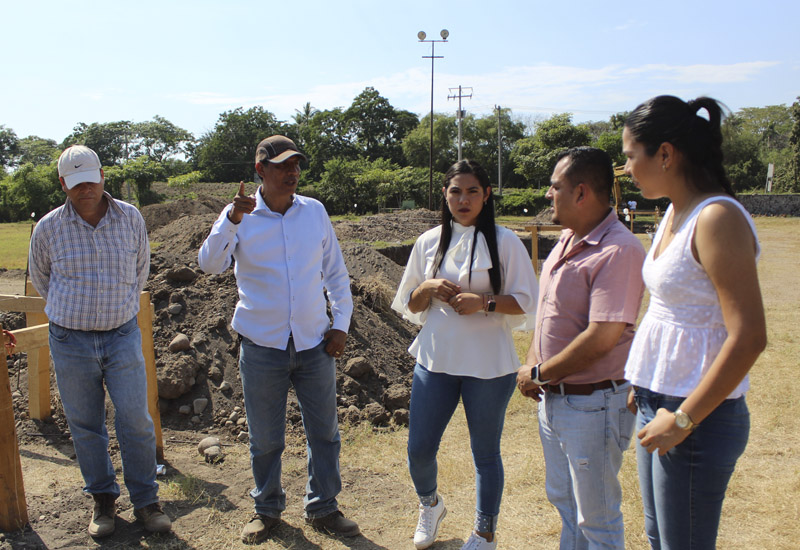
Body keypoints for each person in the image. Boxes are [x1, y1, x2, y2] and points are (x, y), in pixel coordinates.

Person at [622, 96, 767, 549]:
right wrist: (643, 383)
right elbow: (672, 308)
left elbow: (749, 337)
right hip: (657, 401)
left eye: (630, 155)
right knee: (658, 536)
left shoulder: (717, 217)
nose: (626, 168)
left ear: (665, 154)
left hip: (695, 416)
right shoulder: (673, 211)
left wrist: (684, 419)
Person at [197, 135, 358, 543]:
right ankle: (266, 509)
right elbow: (210, 265)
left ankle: (323, 507)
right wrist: (230, 219)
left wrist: (341, 324)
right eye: (283, 166)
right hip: (262, 346)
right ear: (260, 171)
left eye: (296, 165)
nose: (292, 173)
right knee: (265, 438)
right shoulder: (240, 216)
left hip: (314, 343)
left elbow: (336, 274)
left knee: (325, 433)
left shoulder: (314, 212)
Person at [392, 159, 539, 550]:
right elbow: (409, 303)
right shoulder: (428, 241)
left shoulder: (505, 241)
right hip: (435, 360)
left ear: (487, 195)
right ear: (444, 194)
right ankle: (430, 505)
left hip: (488, 365)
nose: (463, 199)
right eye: (456, 191)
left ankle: (485, 532)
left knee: (485, 453)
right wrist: (426, 288)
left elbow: (527, 302)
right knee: (419, 448)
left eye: (473, 191)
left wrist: (485, 302)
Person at [28, 145, 170, 537]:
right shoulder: (49, 228)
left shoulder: (130, 218)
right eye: (76, 184)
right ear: (63, 184)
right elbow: (42, 279)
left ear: (102, 175)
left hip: (121, 335)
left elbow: (141, 270)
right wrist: (73, 312)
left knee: (135, 421)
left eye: (90, 180)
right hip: (70, 340)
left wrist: (113, 310)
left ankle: (146, 500)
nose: (85, 189)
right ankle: (103, 500)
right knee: (86, 424)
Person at [516, 146, 646, 549]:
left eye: (555, 187)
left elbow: (603, 335)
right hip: (556, 400)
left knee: (597, 518)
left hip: (593, 404)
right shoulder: (566, 241)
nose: (547, 195)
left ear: (582, 192)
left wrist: (539, 373)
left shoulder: (618, 249)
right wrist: (533, 364)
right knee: (566, 504)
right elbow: (549, 318)